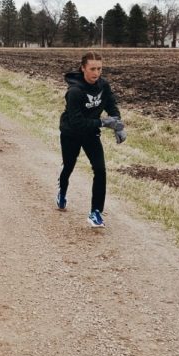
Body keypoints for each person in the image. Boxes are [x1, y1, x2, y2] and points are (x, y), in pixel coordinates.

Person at [56, 51, 126, 227]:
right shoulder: (74, 91)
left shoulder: (103, 86)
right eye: (92, 69)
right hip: (71, 133)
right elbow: (77, 122)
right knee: (69, 166)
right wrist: (103, 123)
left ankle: (95, 212)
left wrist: (117, 125)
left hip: (91, 134)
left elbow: (112, 106)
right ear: (83, 68)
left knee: (100, 170)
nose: (96, 73)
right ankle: (62, 192)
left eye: (99, 69)